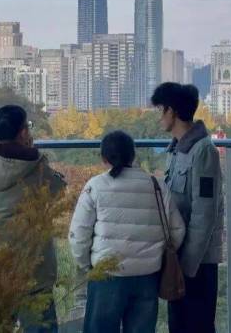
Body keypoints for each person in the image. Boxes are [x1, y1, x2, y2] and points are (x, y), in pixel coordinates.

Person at [68, 130, 185, 333]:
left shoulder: (95, 186)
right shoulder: (156, 185)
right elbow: (177, 230)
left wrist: (88, 266)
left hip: (107, 275)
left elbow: (78, 235)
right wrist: (156, 257)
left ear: (104, 158)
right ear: (133, 155)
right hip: (147, 275)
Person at [0, 105, 66, 333]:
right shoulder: (35, 165)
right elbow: (59, 190)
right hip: (33, 262)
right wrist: (34, 152)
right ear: (23, 132)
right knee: (40, 325)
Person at [151, 82, 224, 333]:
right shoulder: (177, 149)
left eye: (161, 110)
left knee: (197, 324)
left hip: (197, 263)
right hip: (178, 259)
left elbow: (205, 213)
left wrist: (187, 267)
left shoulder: (203, 151)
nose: (159, 117)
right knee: (179, 324)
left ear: (172, 111)